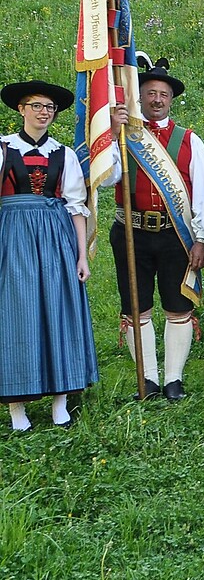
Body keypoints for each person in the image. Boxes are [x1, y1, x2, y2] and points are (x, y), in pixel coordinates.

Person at [108, 59, 204, 401]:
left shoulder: (189, 141)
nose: (156, 99)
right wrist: (113, 136)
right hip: (131, 232)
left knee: (178, 305)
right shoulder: (125, 136)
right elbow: (107, 178)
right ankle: (149, 379)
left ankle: (174, 380)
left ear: (171, 100)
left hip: (174, 235)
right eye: (150, 93)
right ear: (139, 97)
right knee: (136, 307)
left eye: (163, 94)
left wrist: (201, 239)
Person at [0, 81, 97, 431]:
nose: (44, 112)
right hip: (13, 237)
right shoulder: (3, 149)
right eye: (37, 106)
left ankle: (60, 402)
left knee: (59, 310)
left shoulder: (63, 154)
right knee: (16, 313)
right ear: (21, 109)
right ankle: (17, 408)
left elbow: (76, 207)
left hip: (56, 239)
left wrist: (81, 255)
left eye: (49, 108)